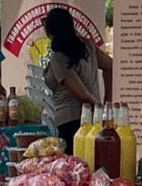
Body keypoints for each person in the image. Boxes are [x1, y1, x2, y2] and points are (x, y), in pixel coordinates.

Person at [43, 8, 112, 154]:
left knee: (75, 171)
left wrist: (104, 111)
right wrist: (106, 105)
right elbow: (110, 67)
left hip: (71, 122)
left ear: (49, 30)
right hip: (93, 119)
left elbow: (82, 95)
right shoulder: (87, 46)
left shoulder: (59, 59)